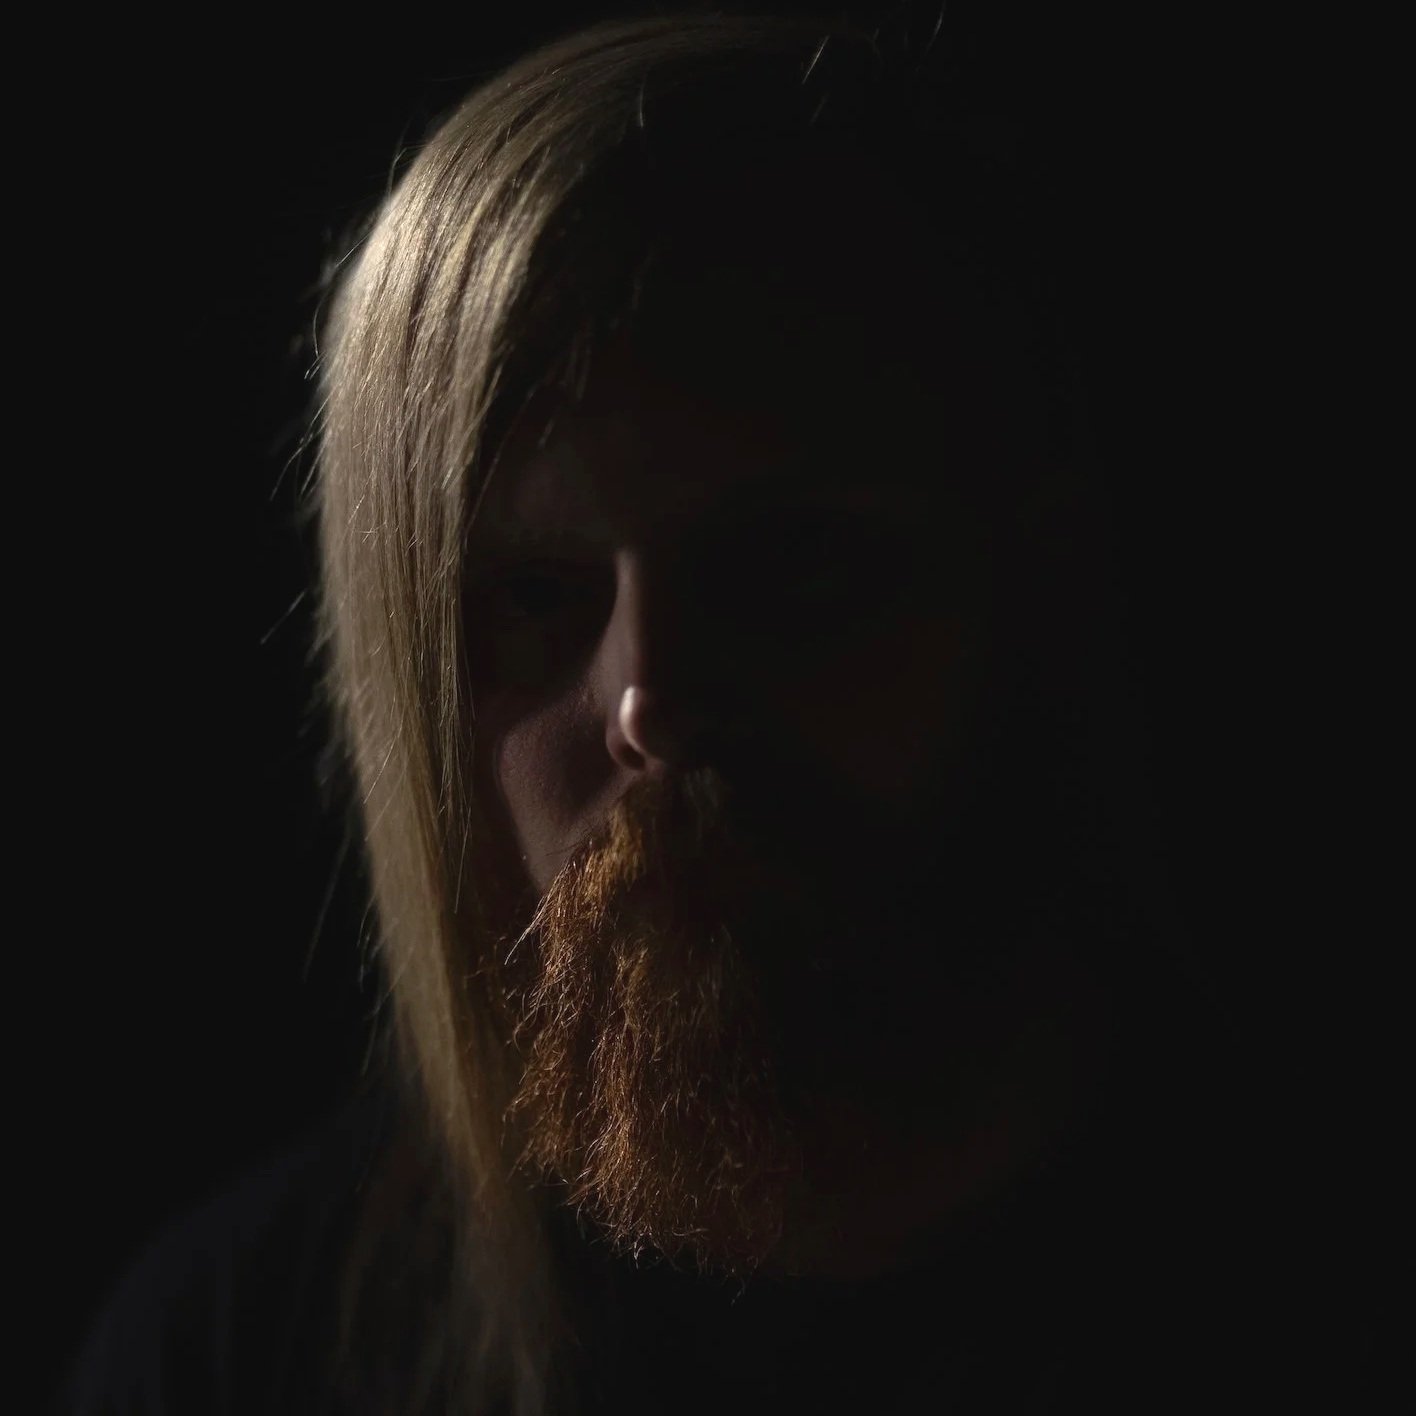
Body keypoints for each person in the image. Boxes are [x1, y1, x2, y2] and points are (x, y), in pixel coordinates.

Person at [64, 9, 1362, 1414]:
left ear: (1021, 577)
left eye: (794, 563)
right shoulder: (243, 1350)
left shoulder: (1310, 1291)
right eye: (538, 596)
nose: (651, 701)